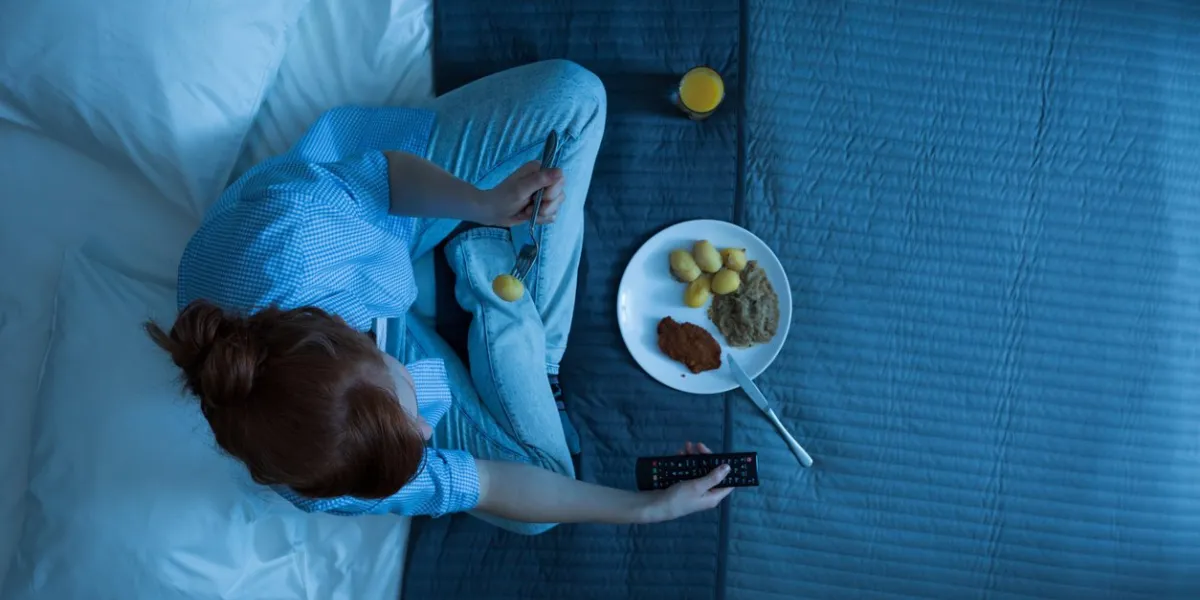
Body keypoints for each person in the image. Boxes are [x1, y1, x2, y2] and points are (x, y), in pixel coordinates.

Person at [145, 60, 734, 535]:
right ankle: (522, 332)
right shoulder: (323, 476)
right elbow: (493, 485)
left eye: (410, 414)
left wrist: (480, 202)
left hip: (381, 219)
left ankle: (486, 256)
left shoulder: (294, 237)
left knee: (575, 95)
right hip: (369, 329)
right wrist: (646, 508)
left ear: (355, 339)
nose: (429, 434)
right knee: (546, 499)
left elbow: (388, 178)